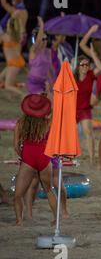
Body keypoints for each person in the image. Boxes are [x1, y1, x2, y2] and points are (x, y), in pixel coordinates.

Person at [13, 94, 58, 226]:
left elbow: (16, 146)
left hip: (28, 160)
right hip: (44, 158)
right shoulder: (47, 123)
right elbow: (55, 112)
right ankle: (56, 220)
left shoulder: (20, 123)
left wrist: (24, 156)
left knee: (18, 195)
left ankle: (19, 221)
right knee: (49, 190)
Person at [74, 45, 101, 167]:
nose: (85, 67)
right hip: (72, 110)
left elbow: (100, 67)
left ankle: (92, 160)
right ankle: (69, 158)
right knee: (69, 135)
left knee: (89, 134)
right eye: (82, 64)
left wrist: (93, 54)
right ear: (78, 66)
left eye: (87, 64)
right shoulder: (72, 77)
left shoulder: (91, 75)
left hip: (85, 109)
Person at [26, 16, 54, 96]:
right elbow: (38, 41)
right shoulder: (34, 50)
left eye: (46, 39)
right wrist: (41, 26)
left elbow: (50, 68)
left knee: (48, 105)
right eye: (42, 39)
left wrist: (52, 81)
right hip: (34, 82)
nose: (44, 41)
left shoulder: (48, 51)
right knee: (38, 103)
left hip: (44, 82)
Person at [0, 14, 25, 98]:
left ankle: (23, 95)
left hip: (14, 63)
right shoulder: (18, 36)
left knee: (7, 85)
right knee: (1, 78)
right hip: (16, 60)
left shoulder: (5, 36)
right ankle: (11, 95)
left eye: (7, 24)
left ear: (9, 26)